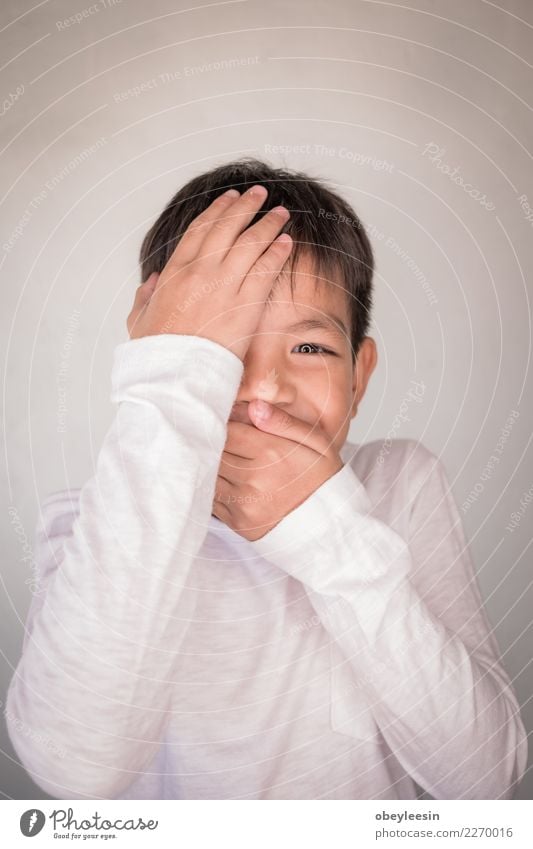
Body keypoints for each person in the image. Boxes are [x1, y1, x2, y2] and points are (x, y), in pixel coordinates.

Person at [6, 158, 527, 800]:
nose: (261, 389)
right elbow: (73, 769)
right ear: (159, 354)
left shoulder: (398, 482)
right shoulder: (92, 521)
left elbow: (483, 776)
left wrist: (322, 530)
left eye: (310, 348)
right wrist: (168, 395)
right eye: (219, 349)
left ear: (359, 377)